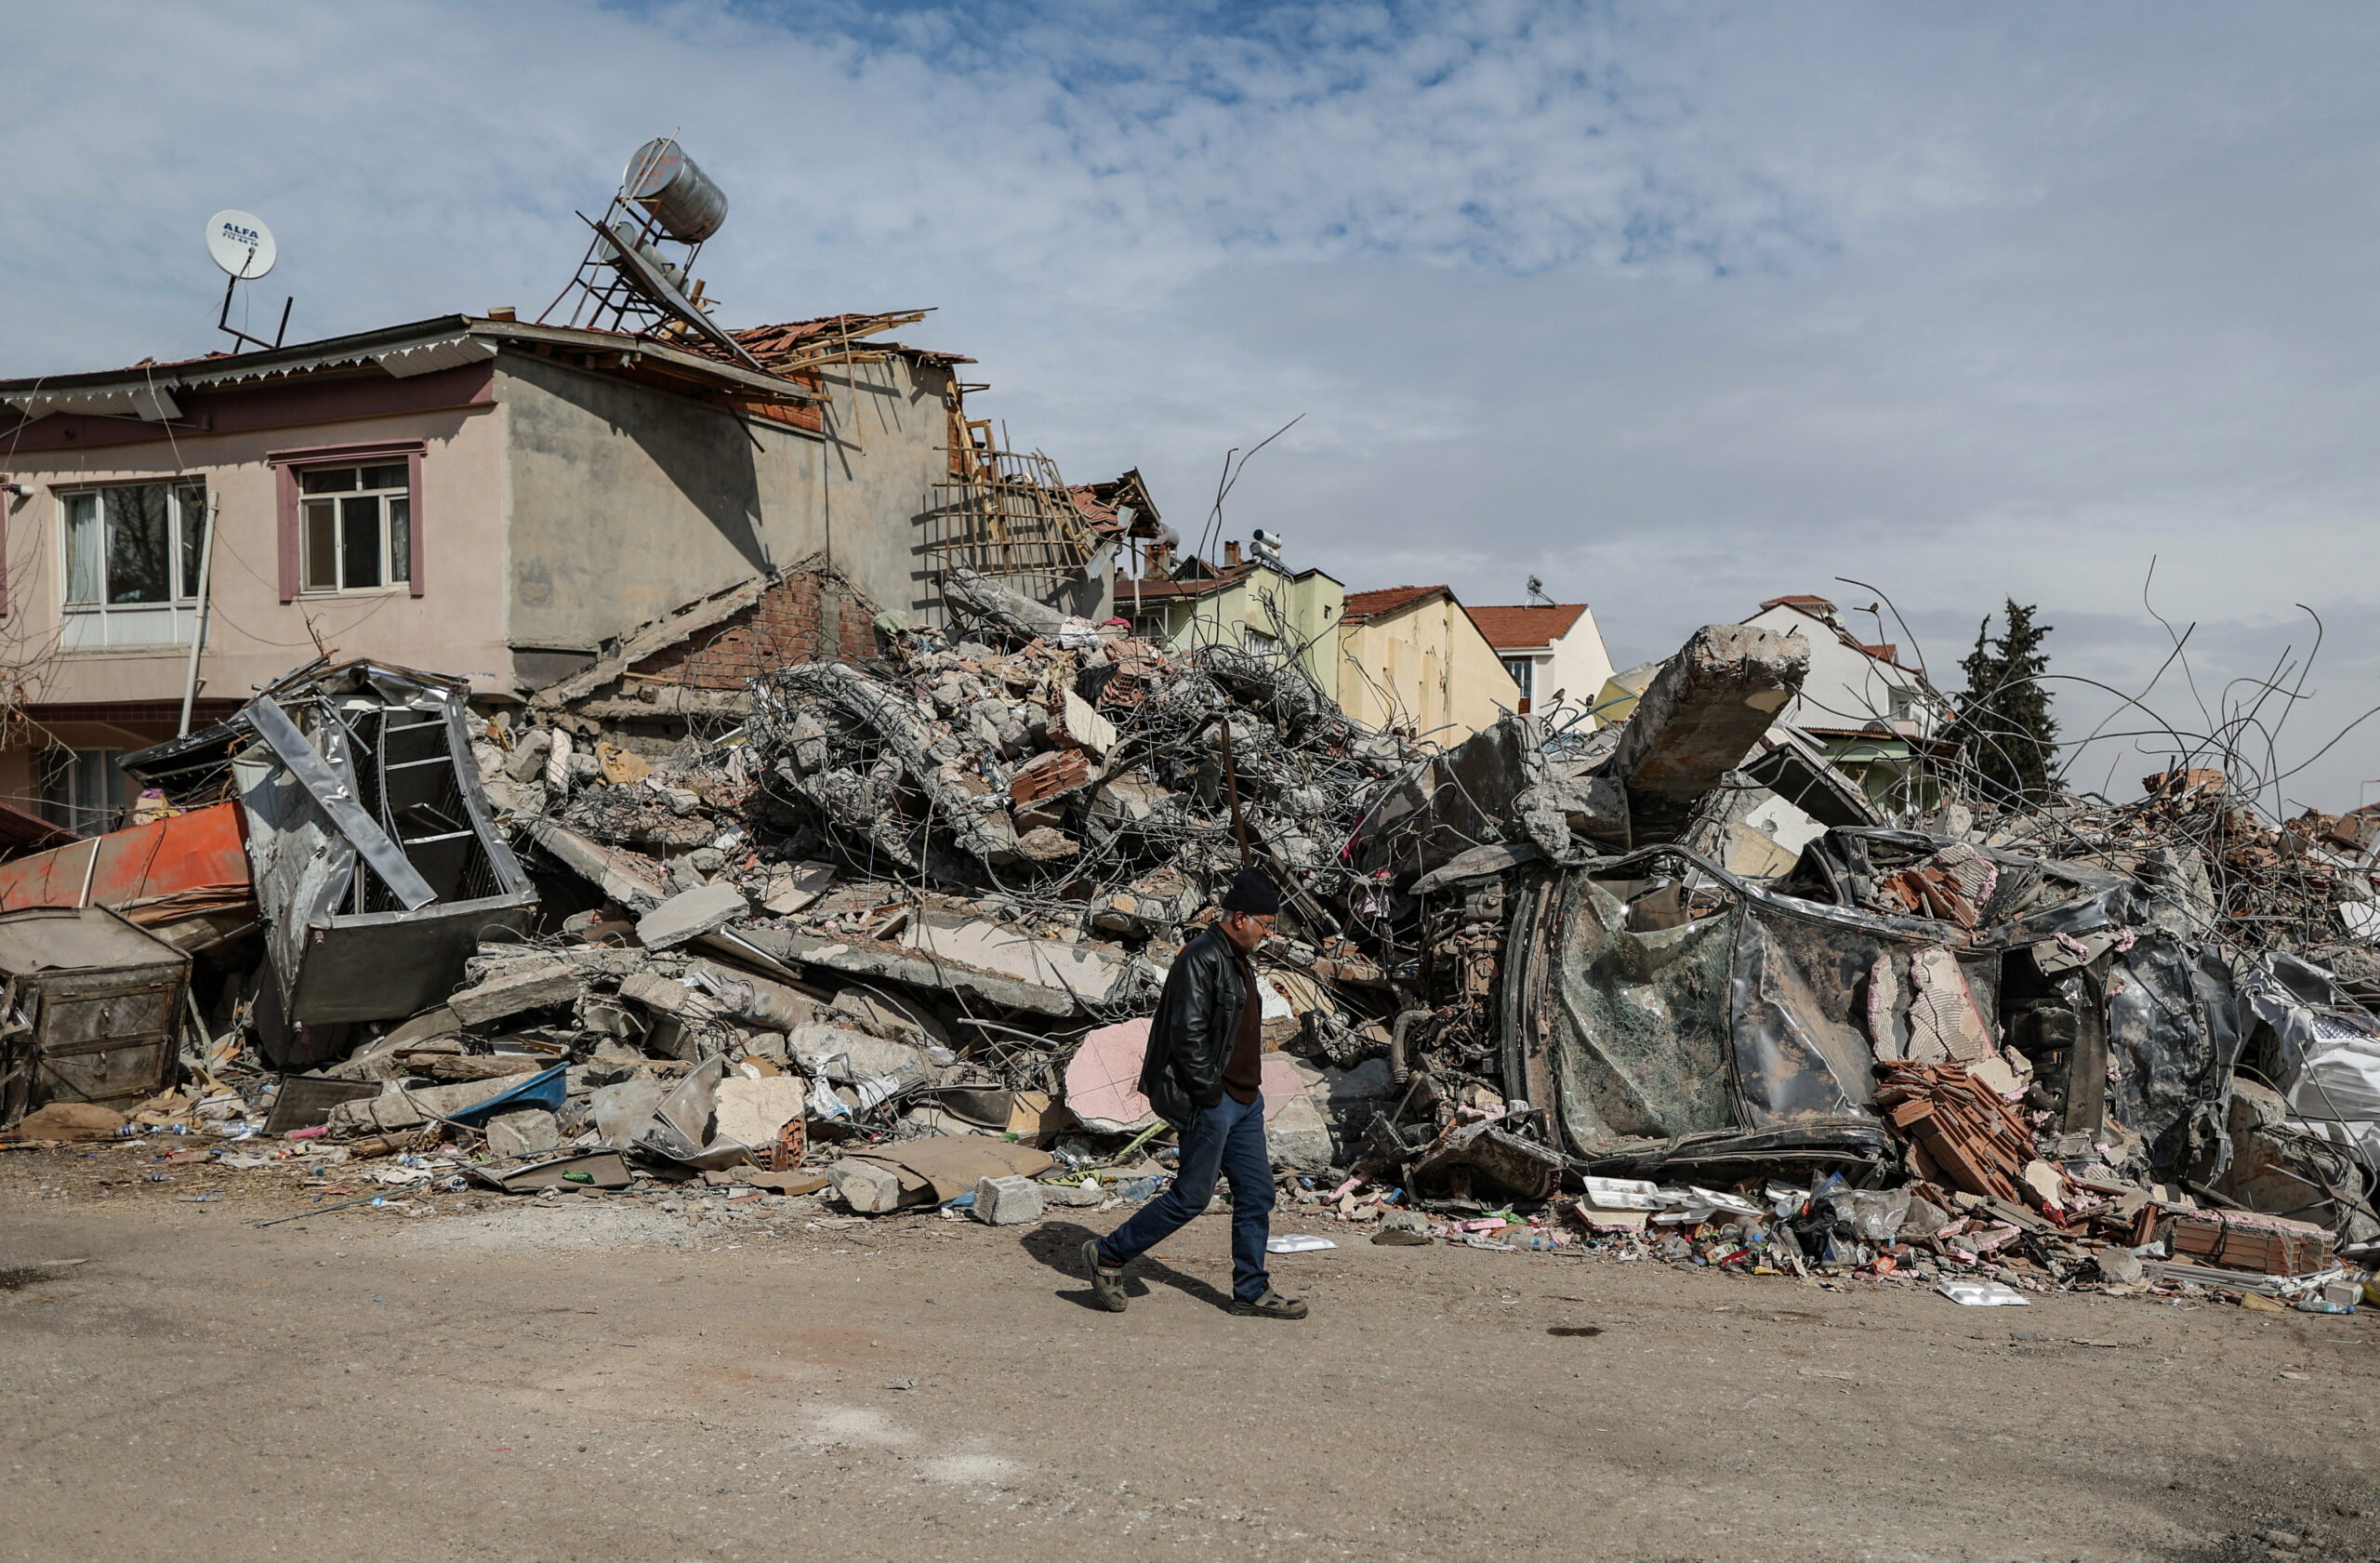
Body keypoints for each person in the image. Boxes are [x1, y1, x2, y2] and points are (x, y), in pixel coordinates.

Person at [1083, 866, 1308, 1319]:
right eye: (1265, 926)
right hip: (1217, 1101)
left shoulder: (1238, 958)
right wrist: (1209, 1095)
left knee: (1257, 1193)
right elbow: (1187, 1035)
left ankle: (1251, 1290)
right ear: (1240, 917)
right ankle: (1108, 1253)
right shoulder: (1201, 958)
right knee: (1191, 1196)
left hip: (1245, 1101)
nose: (1268, 935)